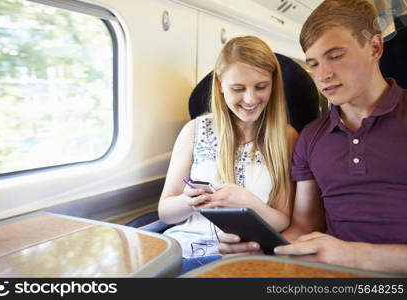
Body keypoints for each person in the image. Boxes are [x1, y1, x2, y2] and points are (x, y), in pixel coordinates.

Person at [218, 0, 407, 275]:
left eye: (335, 56)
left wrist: (351, 255)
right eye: (313, 63)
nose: (323, 75)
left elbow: (340, 253)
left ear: (375, 47)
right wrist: (263, 249)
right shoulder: (311, 138)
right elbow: (304, 228)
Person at [158, 36, 298, 274]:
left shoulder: (285, 138)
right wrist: (188, 201)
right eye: (238, 89)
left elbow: (283, 219)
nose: (251, 99)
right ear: (220, 85)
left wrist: (249, 204)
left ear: (273, 85)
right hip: (182, 250)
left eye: (261, 87)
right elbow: (165, 211)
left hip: (238, 260)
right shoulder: (194, 130)